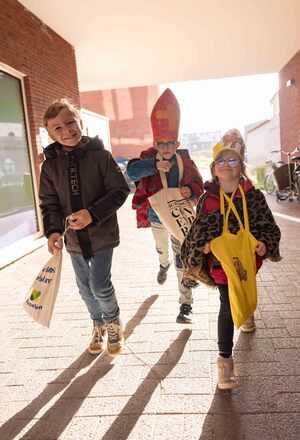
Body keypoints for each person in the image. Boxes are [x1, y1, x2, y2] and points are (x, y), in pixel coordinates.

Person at [181, 129, 281, 389]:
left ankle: (246, 312)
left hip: (246, 261)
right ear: (214, 169)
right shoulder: (207, 200)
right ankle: (225, 362)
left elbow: (267, 226)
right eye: (221, 161)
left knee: (243, 290)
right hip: (220, 262)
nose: (227, 166)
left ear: (241, 166)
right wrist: (202, 247)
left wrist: (264, 244)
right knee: (226, 304)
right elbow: (197, 231)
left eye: (233, 160)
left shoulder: (253, 197)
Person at [39, 98, 130, 357]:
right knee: (85, 289)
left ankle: (113, 322)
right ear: (49, 134)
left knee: (100, 285)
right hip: (74, 241)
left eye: (70, 123)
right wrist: (54, 231)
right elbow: (49, 203)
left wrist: (93, 214)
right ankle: (97, 323)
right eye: (58, 128)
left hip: (102, 234)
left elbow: (119, 191)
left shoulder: (101, 156)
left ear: (80, 122)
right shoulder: (50, 166)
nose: (66, 131)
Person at [127, 88, 203, 324]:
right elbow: (132, 171)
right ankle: (163, 264)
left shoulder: (185, 159)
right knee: (162, 250)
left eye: (170, 143)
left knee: (182, 256)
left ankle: (185, 305)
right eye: (162, 144)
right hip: (156, 217)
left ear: (177, 142)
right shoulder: (148, 157)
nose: (166, 148)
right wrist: (154, 165)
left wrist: (189, 190)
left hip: (179, 218)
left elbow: (198, 183)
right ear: (155, 143)